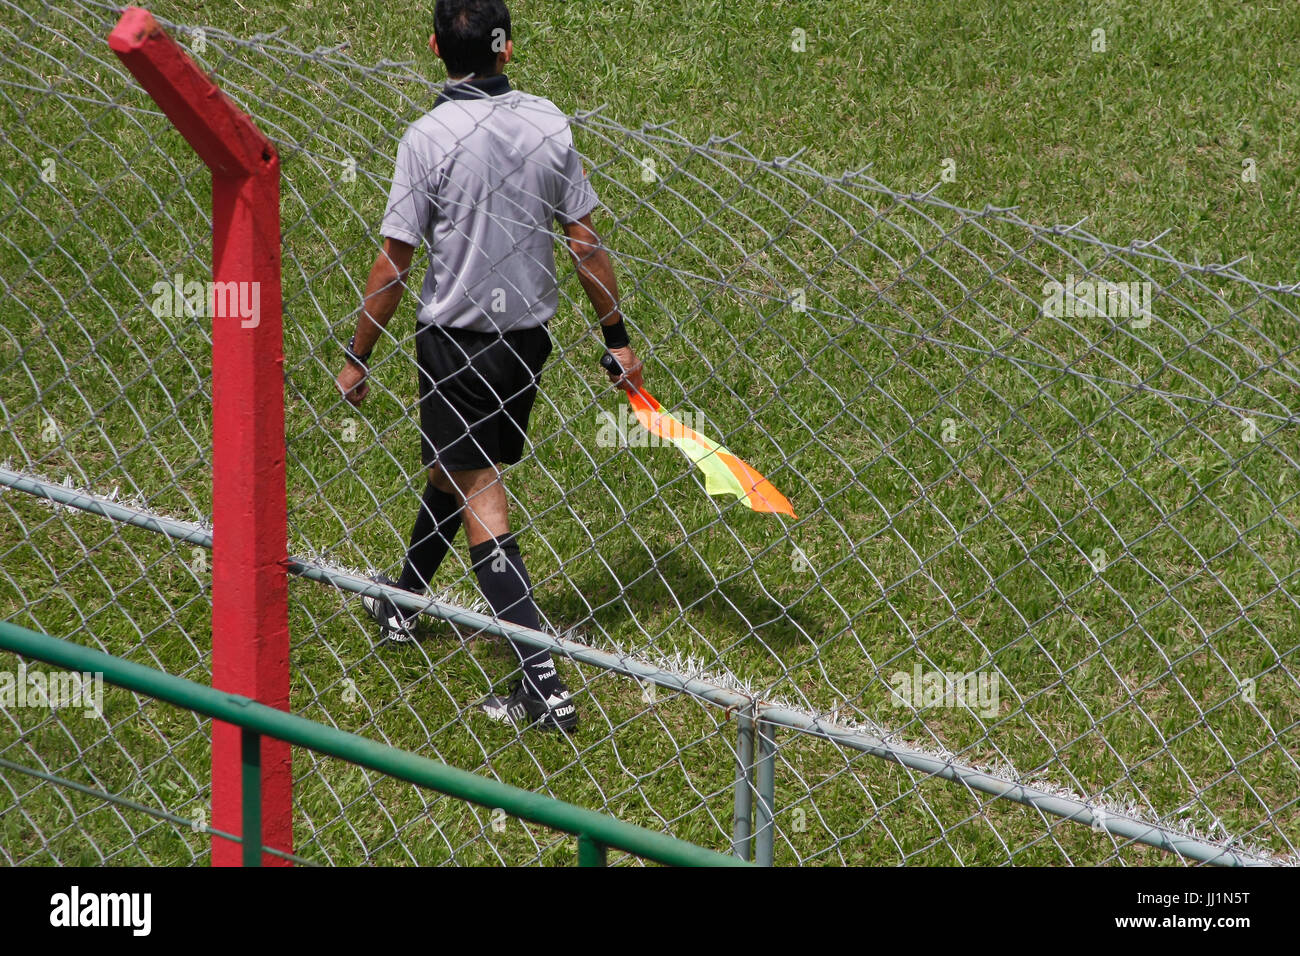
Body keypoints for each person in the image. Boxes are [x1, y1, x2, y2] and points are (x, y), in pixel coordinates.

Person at [336, 0, 642, 732]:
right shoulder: (548, 123)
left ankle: (544, 689)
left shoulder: (427, 137)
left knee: (480, 496)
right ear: (509, 49)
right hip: (526, 341)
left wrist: (357, 356)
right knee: (455, 469)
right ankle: (403, 605)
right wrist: (617, 335)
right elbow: (585, 243)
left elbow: (394, 262)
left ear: (435, 46)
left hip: (456, 343)